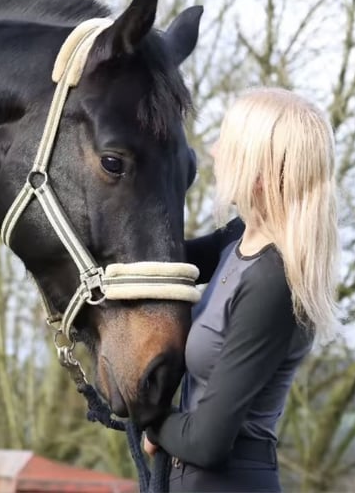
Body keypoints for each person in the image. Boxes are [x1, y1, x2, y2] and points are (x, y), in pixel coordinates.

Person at [144, 87, 341, 492]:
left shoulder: (273, 281)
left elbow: (207, 443)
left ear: (260, 172)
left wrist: (152, 421)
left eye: (228, 143)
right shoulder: (240, 237)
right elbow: (163, 264)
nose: (214, 152)